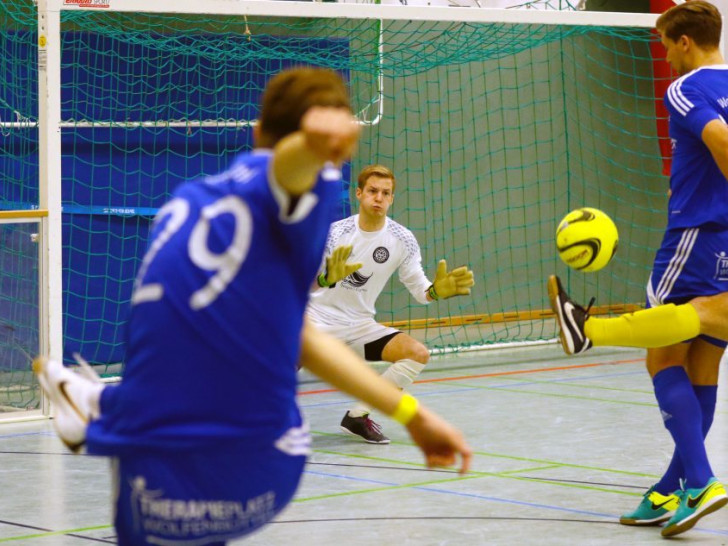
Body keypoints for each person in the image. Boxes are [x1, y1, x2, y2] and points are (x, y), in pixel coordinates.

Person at [33, 67, 472, 546]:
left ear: (256, 131)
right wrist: (314, 148)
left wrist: (415, 399)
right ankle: (102, 406)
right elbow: (287, 175)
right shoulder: (317, 202)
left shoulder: (188, 199)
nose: (379, 198)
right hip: (259, 461)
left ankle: (104, 405)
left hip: (150, 441)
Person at [548, 1, 728, 538]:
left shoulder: (686, 87)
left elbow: (718, 138)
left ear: (684, 43)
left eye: (665, 44)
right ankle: (673, 489)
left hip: (695, 234)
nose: (665, 56)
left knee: (662, 360)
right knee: (704, 365)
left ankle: (700, 482)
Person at [307, 164, 475, 444]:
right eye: (372, 191)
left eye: (386, 193)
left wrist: (436, 291)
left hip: (359, 327)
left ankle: (357, 416)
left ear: (392, 199)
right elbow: (304, 283)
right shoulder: (336, 234)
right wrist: (326, 278)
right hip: (315, 323)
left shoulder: (402, 239)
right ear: (359, 194)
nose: (379, 198)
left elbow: (421, 292)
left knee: (417, 353)